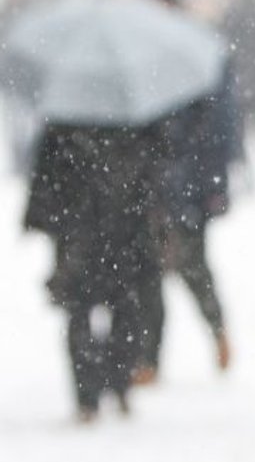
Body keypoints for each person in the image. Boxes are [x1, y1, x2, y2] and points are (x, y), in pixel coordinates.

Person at [24, 123, 164, 422]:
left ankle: (88, 396)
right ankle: (117, 385)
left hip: (80, 230)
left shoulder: (63, 119)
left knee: (83, 313)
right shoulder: (136, 118)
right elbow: (155, 168)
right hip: (123, 229)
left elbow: (46, 177)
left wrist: (42, 216)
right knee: (124, 309)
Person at [133, 62, 242, 384]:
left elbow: (220, 134)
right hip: (151, 191)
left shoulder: (201, 67)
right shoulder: (148, 68)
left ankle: (217, 329)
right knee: (148, 276)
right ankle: (148, 357)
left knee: (192, 268)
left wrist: (213, 188)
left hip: (188, 192)